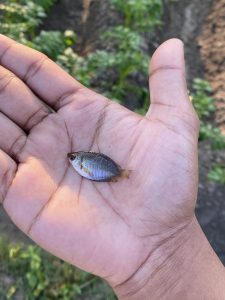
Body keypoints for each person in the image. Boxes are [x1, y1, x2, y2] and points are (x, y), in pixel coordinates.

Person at [0, 34, 224, 300]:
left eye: (73, 160)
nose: (73, 161)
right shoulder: (83, 160)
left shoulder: (81, 162)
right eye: (73, 160)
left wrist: (163, 252)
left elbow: (87, 167)